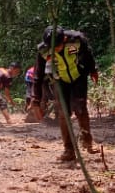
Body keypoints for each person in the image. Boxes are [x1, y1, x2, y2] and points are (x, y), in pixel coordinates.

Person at [34, 26, 99, 163]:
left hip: (78, 77)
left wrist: (93, 70)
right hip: (59, 80)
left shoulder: (76, 39)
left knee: (80, 109)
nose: (55, 50)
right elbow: (38, 75)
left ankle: (87, 141)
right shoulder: (43, 50)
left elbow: (87, 54)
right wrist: (36, 100)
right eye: (52, 48)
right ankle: (69, 150)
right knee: (63, 114)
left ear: (64, 39)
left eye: (58, 46)